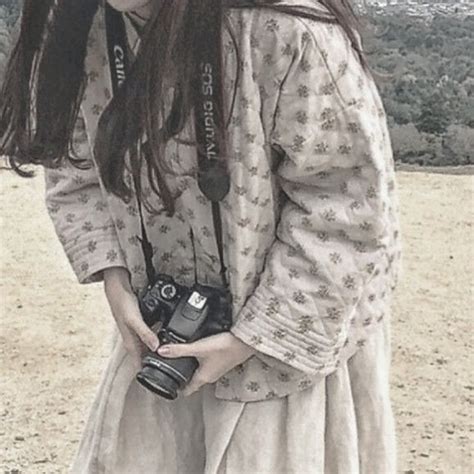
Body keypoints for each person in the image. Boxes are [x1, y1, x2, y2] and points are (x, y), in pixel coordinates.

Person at [0, 0, 403, 472]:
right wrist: (114, 274)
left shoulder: (284, 29)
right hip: (165, 335)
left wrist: (250, 339)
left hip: (289, 346)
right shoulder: (80, 20)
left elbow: (347, 211)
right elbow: (73, 163)